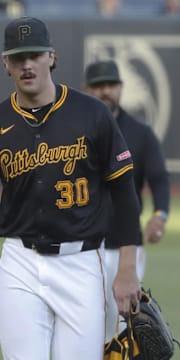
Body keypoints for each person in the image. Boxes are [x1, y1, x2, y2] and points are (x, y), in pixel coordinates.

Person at [0, 17, 141, 360]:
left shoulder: (91, 113)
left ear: (52, 56)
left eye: (34, 54)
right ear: (6, 64)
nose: (27, 64)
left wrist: (126, 269)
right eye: (18, 57)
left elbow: (125, 194)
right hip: (19, 258)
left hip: (80, 261)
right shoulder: (2, 119)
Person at [84, 60, 170, 342]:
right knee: (86, 320)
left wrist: (160, 214)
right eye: (98, 86)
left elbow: (158, 178)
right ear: (86, 89)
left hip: (126, 243)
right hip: (84, 242)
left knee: (121, 325)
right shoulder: (75, 130)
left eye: (110, 85)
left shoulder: (140, 133)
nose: (105, 91)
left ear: (121, 88)